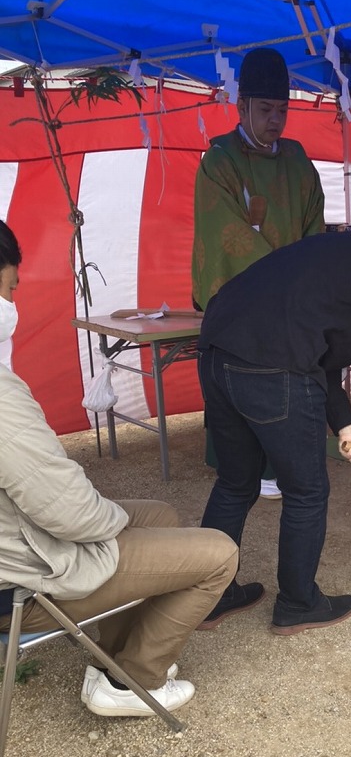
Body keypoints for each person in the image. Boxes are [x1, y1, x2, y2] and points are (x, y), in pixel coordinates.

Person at [0, 220, 240, 718]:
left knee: (159, 515)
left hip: (18, 546)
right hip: (21, 581)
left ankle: (117, 655)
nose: (13, 305)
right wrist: (111, 525)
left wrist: (111, 519)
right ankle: (132, 682)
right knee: (220, 554)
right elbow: (68, 512)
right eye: (9, 289)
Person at [196, 223, 351, 634]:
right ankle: (298, 603)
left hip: (215, 353)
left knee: (234, 483)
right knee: (306, 490)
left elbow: (318, 350)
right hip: (275, 368)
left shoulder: (338, 253)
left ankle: (206, 595)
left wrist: (346, 423)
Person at [192, 47, 325, 502]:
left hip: (290, 300)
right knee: (243, 386)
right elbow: (224, 235)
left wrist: (305, 280)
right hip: (242, 302)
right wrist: (282, 281)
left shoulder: (297, 160)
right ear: (241, 106)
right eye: (266, 109)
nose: (276, 120)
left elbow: (314, 227)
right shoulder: (219, 161)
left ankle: (283, 465)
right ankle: (243, 470)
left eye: (283, 110)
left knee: (289, 382)